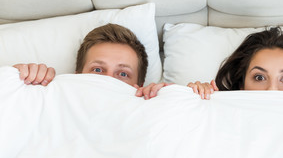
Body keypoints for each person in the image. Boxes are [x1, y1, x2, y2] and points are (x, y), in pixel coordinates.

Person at [187, 27, 283, 109]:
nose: (272, 90)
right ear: (242, 85)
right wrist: (194, 98)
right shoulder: (216, 112)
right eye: (259, 77)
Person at [13, 23, 170, 100]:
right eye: (97, 70)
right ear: (77, 75)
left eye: (123, 73)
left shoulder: (151, 107)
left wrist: (183, 97)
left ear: (139, 86)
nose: (107, 79)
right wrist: (15, 80)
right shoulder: (49, 98)